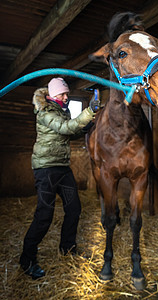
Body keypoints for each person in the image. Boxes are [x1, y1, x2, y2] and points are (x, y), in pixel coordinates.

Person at [19, 77, 100, 280]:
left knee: (74, 209)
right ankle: (27, 260)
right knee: (44, 215)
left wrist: (84, 128)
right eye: (62, 94)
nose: (65, 97)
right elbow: (64, 128)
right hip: (45, 168)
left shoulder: (62, 110)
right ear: (51, 95)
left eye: (66, 94)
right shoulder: (45, 111)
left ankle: (67, 249)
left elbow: (67, 134)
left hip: (62, 168)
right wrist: (88, 112)